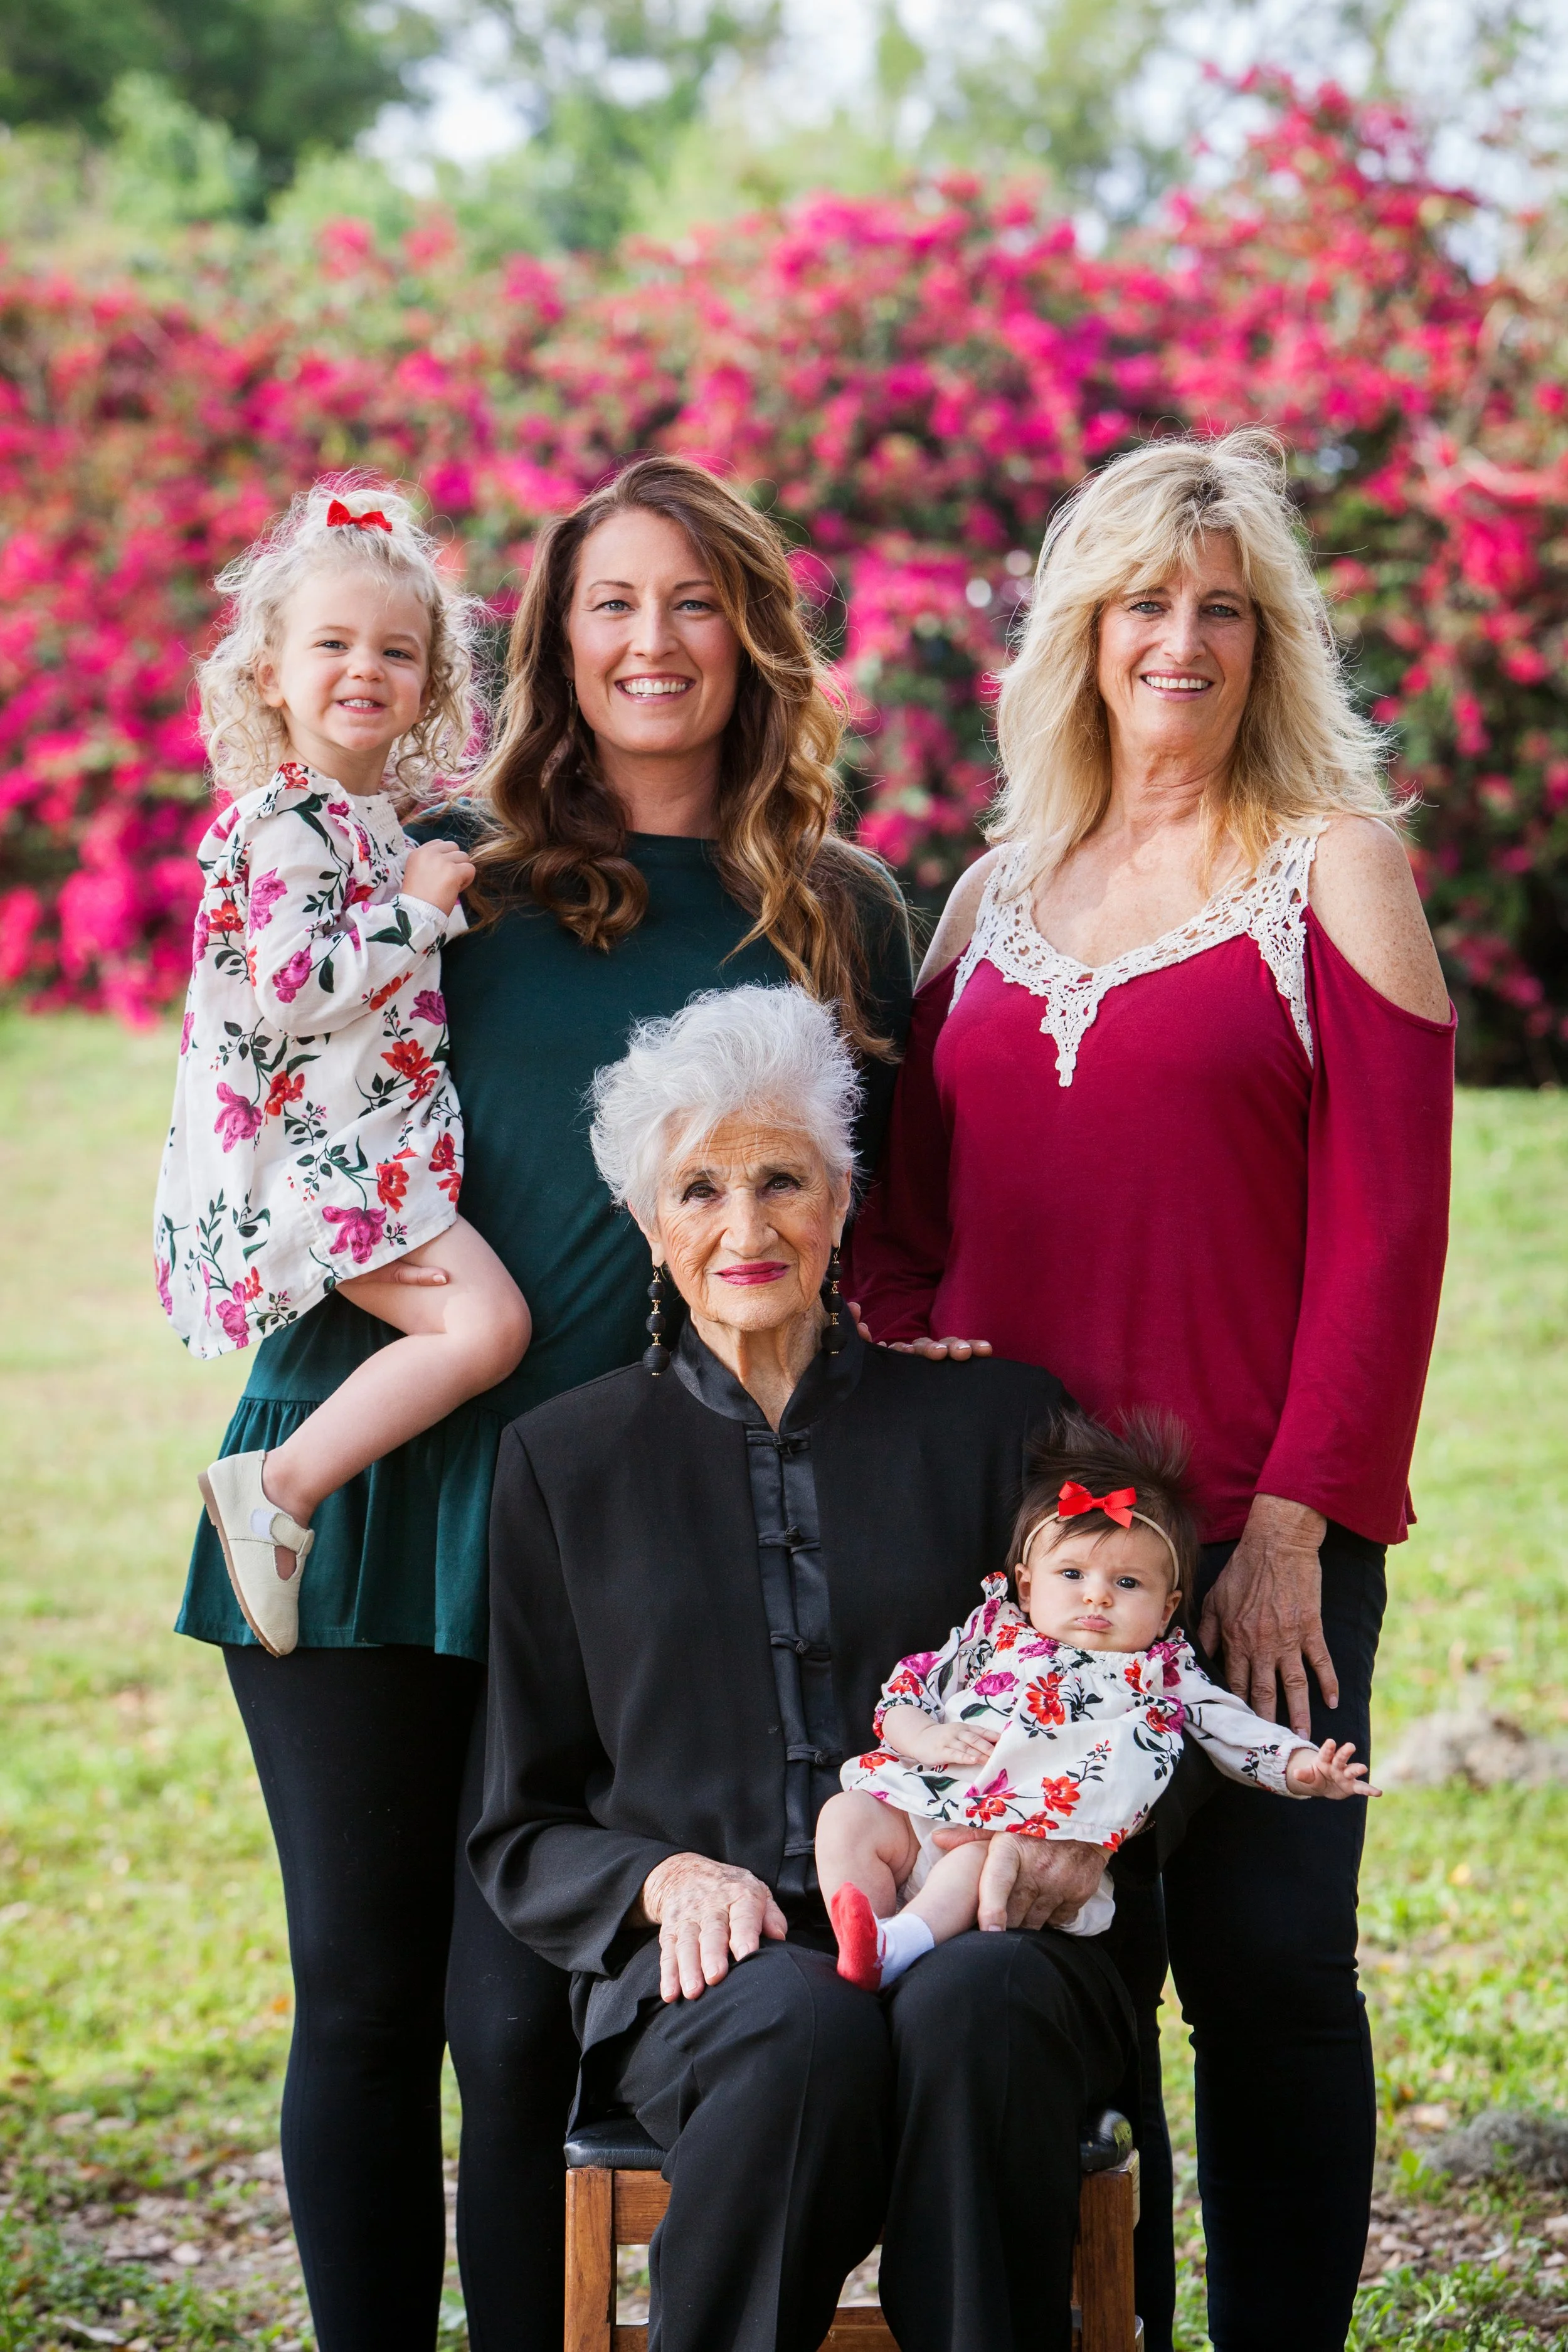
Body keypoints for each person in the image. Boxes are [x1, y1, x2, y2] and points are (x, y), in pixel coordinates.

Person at [173, 456, 914, 2352]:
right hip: (365, 1478)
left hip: (608, 1546)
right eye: (607, 602)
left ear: (749, 633)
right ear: (553, 641)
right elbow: (254, 1084)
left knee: (511, 2030)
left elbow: (878, 1236)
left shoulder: (833, 908)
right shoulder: (448, 875)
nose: (650, 642)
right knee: (354, 1994)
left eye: (690, 602)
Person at [847, 427, 1455, 2352]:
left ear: (1262, 636)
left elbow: (1386, 1232)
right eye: (1137, 601)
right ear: (1076, 634)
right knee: (1064, 1968)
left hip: (1256, 1533)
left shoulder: (1329, 868)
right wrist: (919, 1373)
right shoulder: (983, 897)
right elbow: (895, 1231)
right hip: (1023, 1576)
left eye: (1214, 604)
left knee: (1267, 1965)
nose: (1174, 638)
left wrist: (1286, 1521)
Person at [470, 984, 1137, 2352]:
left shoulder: (998, 1423)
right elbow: (518, 1817)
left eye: (782, 1178)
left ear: (841, 1203)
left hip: (987, 1908)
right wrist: (659, 1878)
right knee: (793, 2029)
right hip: (709, 1971)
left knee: (979, 1999)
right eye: (699, 1187)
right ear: (650, 1229)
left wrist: (1092, 1841)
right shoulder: (563, 1460)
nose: (744, 1223)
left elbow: (1140, 1683)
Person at [156, 479, 531, 1656]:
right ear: (270, 672)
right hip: (319, 1161)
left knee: (479, 1332)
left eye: (398, 650)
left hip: (361, 1143)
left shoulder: (366, 819)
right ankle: (280, 1487)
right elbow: (293, 985)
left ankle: (286, 1490)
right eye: (332, 643)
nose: (365, 667)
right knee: (485, 1332)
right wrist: (420, 911)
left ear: (429, 686)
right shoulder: (289, 818)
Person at [821, 1410, 1375, 1993]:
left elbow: (1234, 1728)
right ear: (1027, 1586)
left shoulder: (1161, 1669)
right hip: (923, 1805)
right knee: (847, 1816)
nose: (1097, 1596)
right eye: (1072, 1572)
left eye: (1128, 1584)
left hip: (1017, 1840)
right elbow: (905, 1694)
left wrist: (1302, 1767)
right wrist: (923, 1737)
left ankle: (896, 1947)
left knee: (973, 1862)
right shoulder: (991, 1634)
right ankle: (866, 1940)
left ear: (1167, 1609)